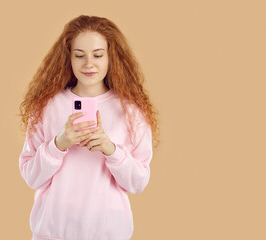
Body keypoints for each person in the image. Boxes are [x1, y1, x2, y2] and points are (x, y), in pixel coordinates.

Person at [18, 15, 160, 240]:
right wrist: (59, 144)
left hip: (109, 234)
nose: (88, 64)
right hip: (52, 234)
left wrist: (111, 150)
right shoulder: (47, 106)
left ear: (111, 56)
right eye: (79, 55)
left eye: (98, 55)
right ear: (69, 58)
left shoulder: (131, 112)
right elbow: (31, 177)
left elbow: (138, 182)